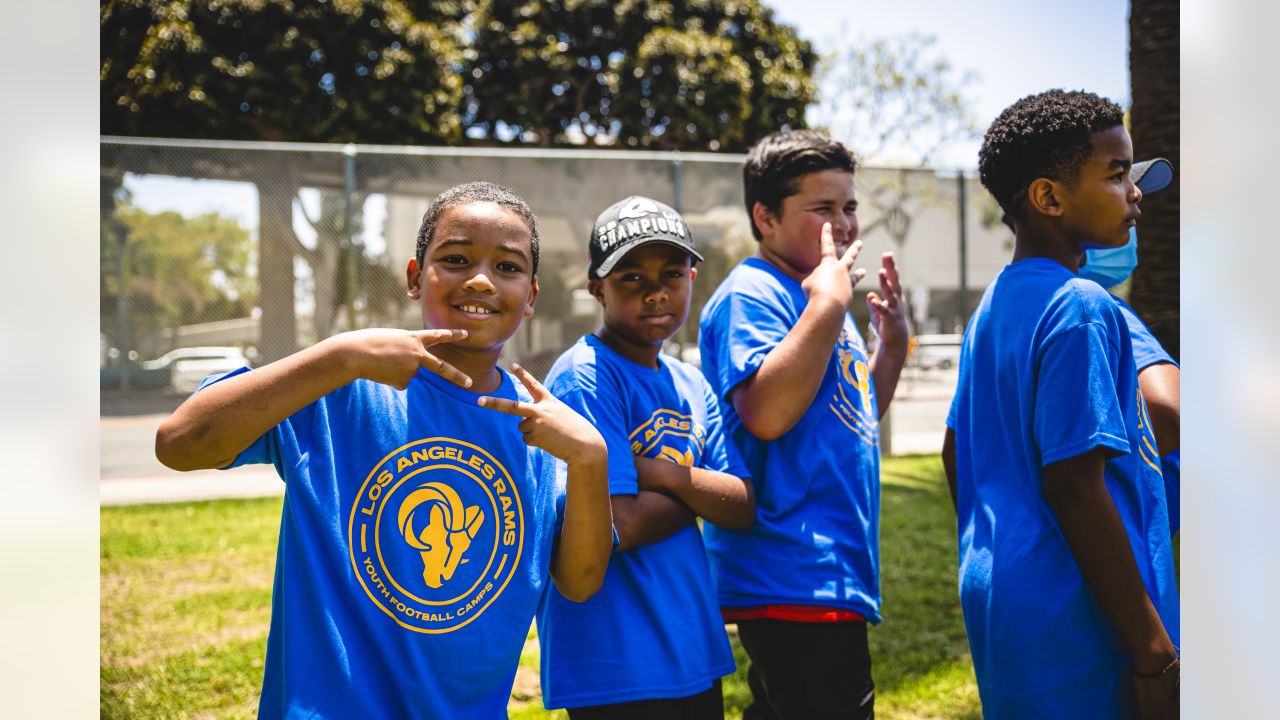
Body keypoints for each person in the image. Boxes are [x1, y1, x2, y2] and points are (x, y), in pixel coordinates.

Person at [154, 181, 613, 720]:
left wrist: (591, 459)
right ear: (417, 278)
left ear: (532, 295)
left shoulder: (541, 428)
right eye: (457, 258)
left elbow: (580, 582)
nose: (482, 279)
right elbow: (180, 444)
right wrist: (340, 356)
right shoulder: (341, 387)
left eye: (508, 267)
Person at [941, 90, 1179, 719]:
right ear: (1049, 197)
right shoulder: (1082, 306)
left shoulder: (990, 309)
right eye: (1116, 174)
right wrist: (1154, 652)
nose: (1135, 192)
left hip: (1008, 599)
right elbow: (1075, 485)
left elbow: (952, 449)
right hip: (1078, 617)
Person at [697, 130, 910, 719]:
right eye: (822, 208)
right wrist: (827, 307)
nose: (842, 224)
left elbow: (849, 416)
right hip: (791, 571)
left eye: (849, 207)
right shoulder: (755, 292)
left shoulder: (819, 295)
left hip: (830, 572)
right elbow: (766, 414)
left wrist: (890, 349)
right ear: (764, 216)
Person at [535, 196, 755, 719]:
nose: (656, 292)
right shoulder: (585, 375)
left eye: (672, 274)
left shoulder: (691, 382)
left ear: (692, 278)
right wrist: (698, 491)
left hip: (691, 650)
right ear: (596, 288)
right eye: (631, 277)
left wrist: (659, 475)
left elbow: (744, 505)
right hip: (614, 664)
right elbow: (622, 523)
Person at [1078, 157, 1181, 536]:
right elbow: (1171, 411)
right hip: (1118, 552)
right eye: (1117, 183)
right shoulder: (1104, 309)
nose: (1134, 201)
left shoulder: (1004, 305)